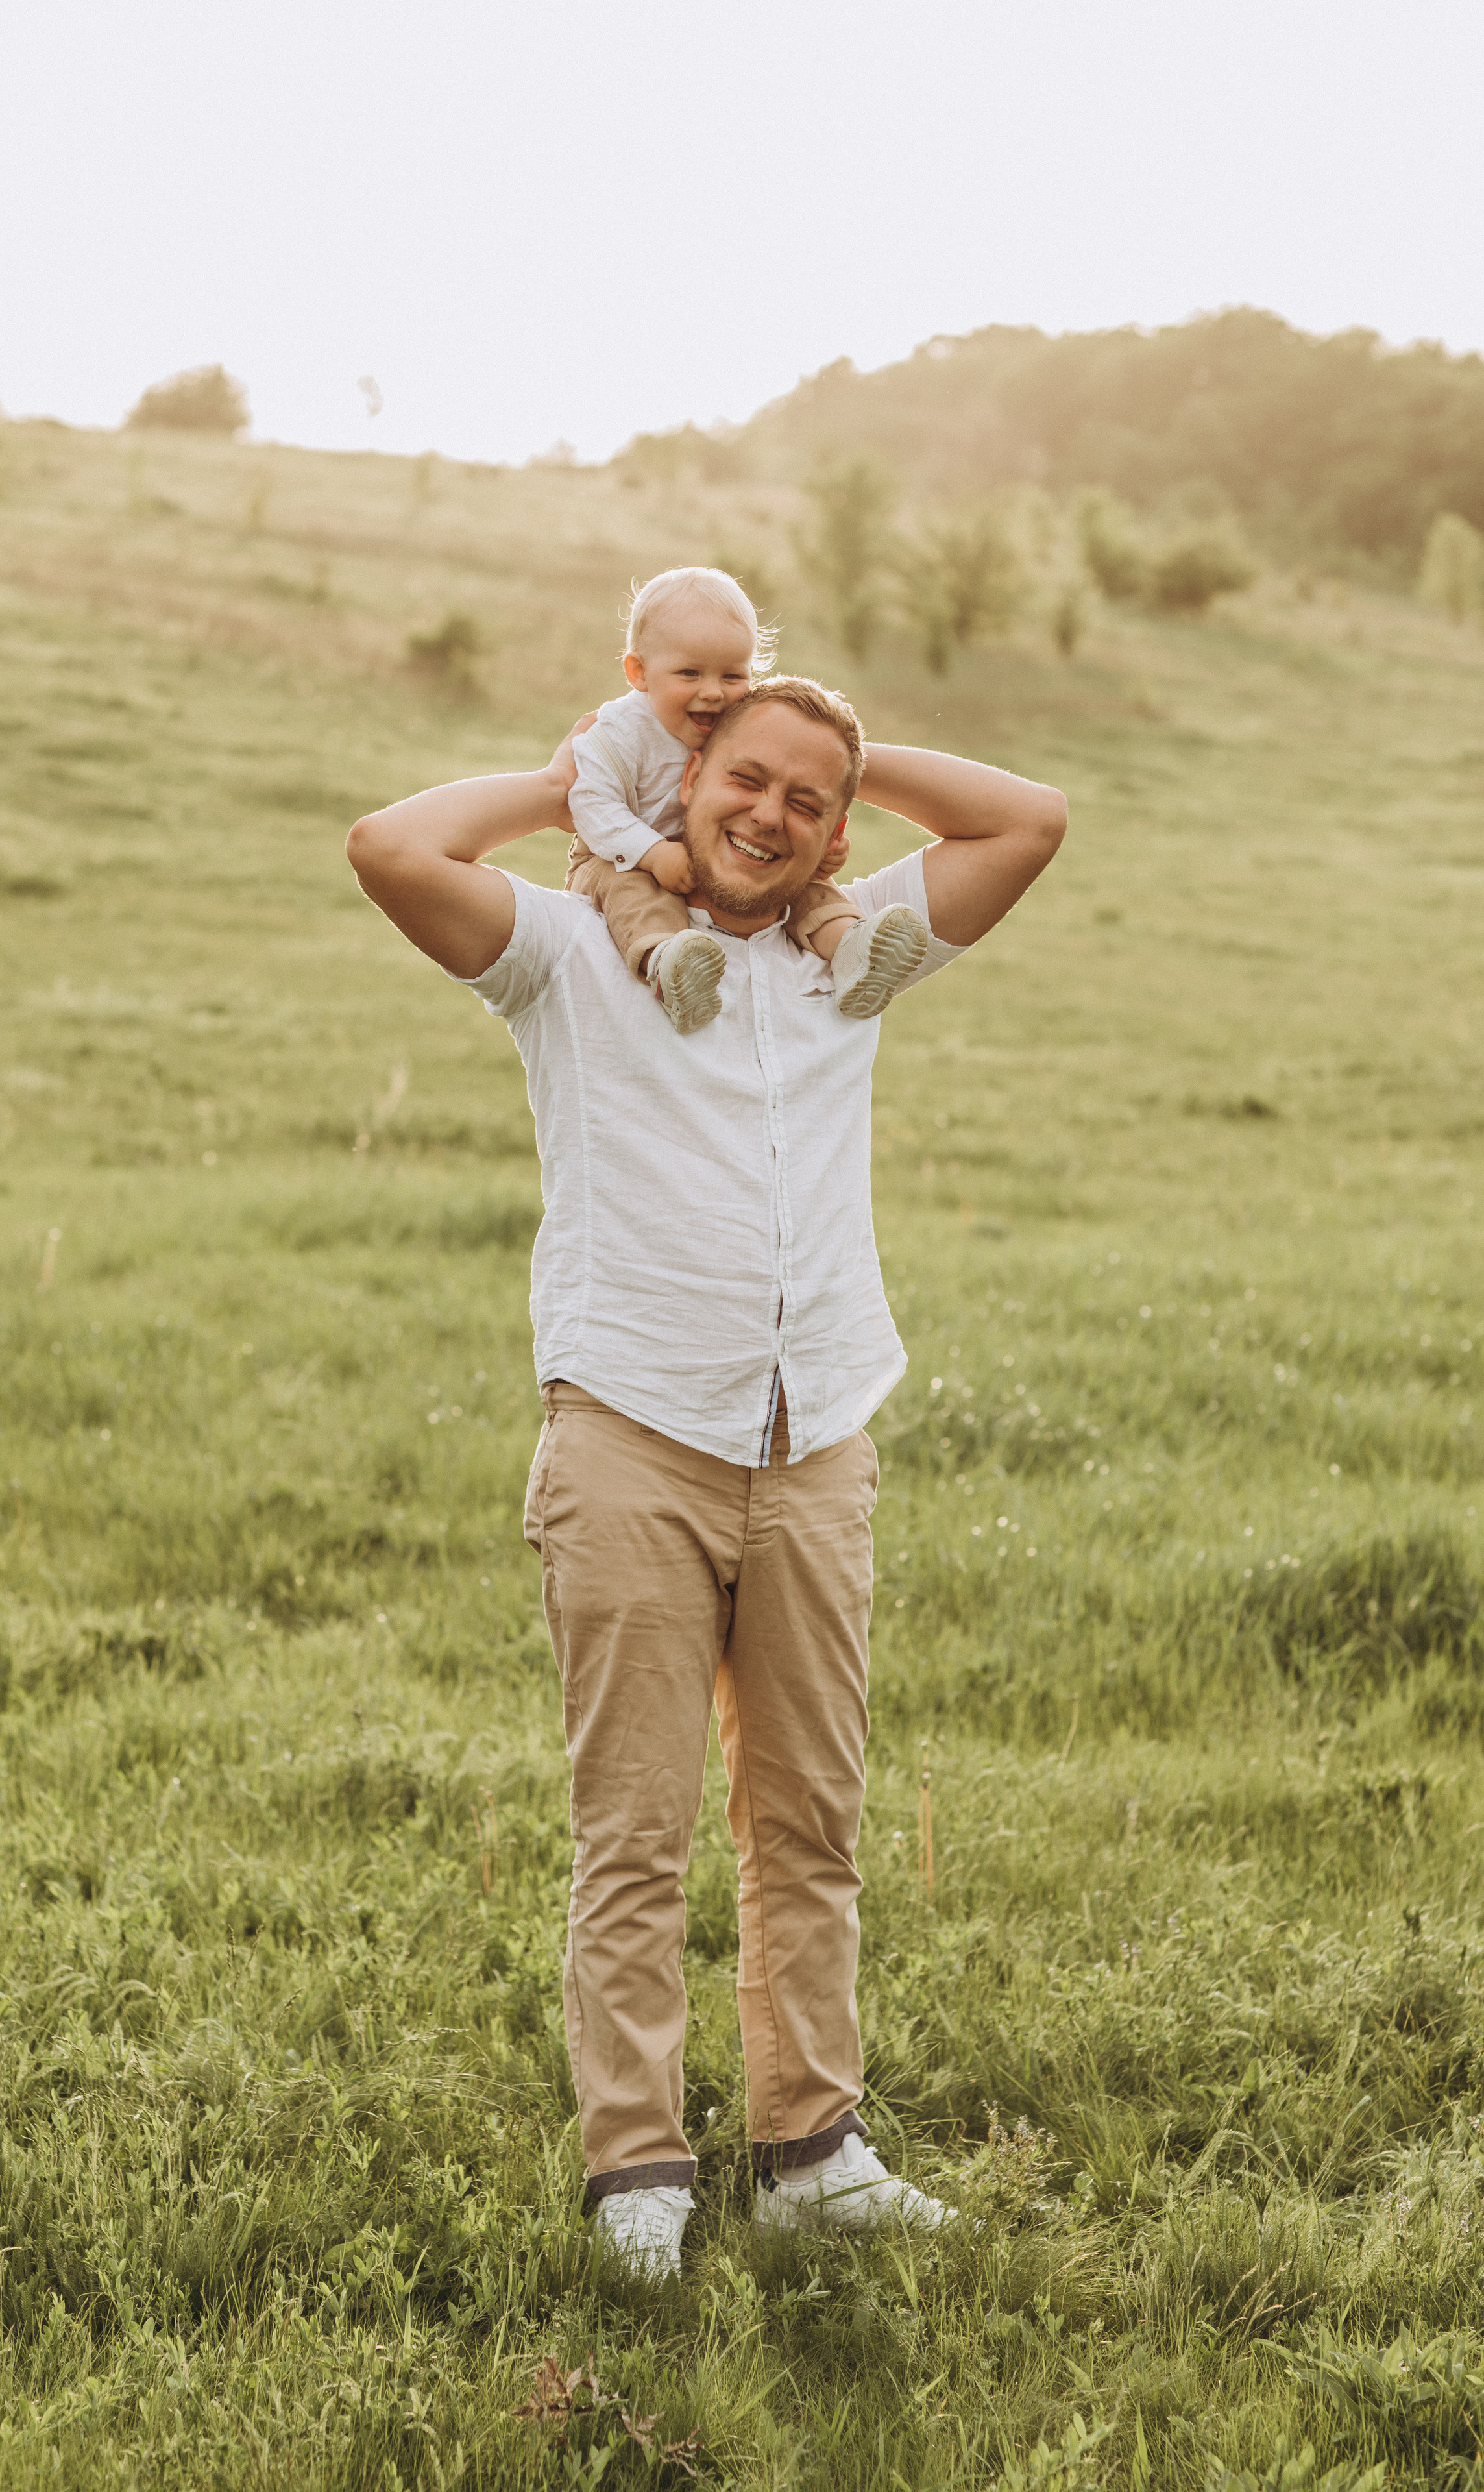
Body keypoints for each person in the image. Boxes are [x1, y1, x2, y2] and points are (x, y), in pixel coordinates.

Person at [345, 676, 1065, 2278]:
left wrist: (844, 755)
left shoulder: (854, 954)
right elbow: (389, 844)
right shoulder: (567, 957)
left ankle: (808, 2146)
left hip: (814, 1448)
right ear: (685, 776)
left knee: (807, 1822)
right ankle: (637, 2167)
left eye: (808, 801)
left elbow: (1026, 818)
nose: (770, 817)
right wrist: (582, 789)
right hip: (629, 1443)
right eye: (743, 780)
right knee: (635, 1832)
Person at [565, 567, 931, 1033]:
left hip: (714, 850)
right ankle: (668, 966)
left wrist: (825, 842)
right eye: (689, 673)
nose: (713, 692)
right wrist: (653, 854)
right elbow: (592, 806)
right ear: (639, 672)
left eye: (733, 675)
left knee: (795, 879)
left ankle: (854, 950)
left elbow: (795, 771)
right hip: (619, 856)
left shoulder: (726, 718)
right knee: (634, 893)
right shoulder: (617, 734)